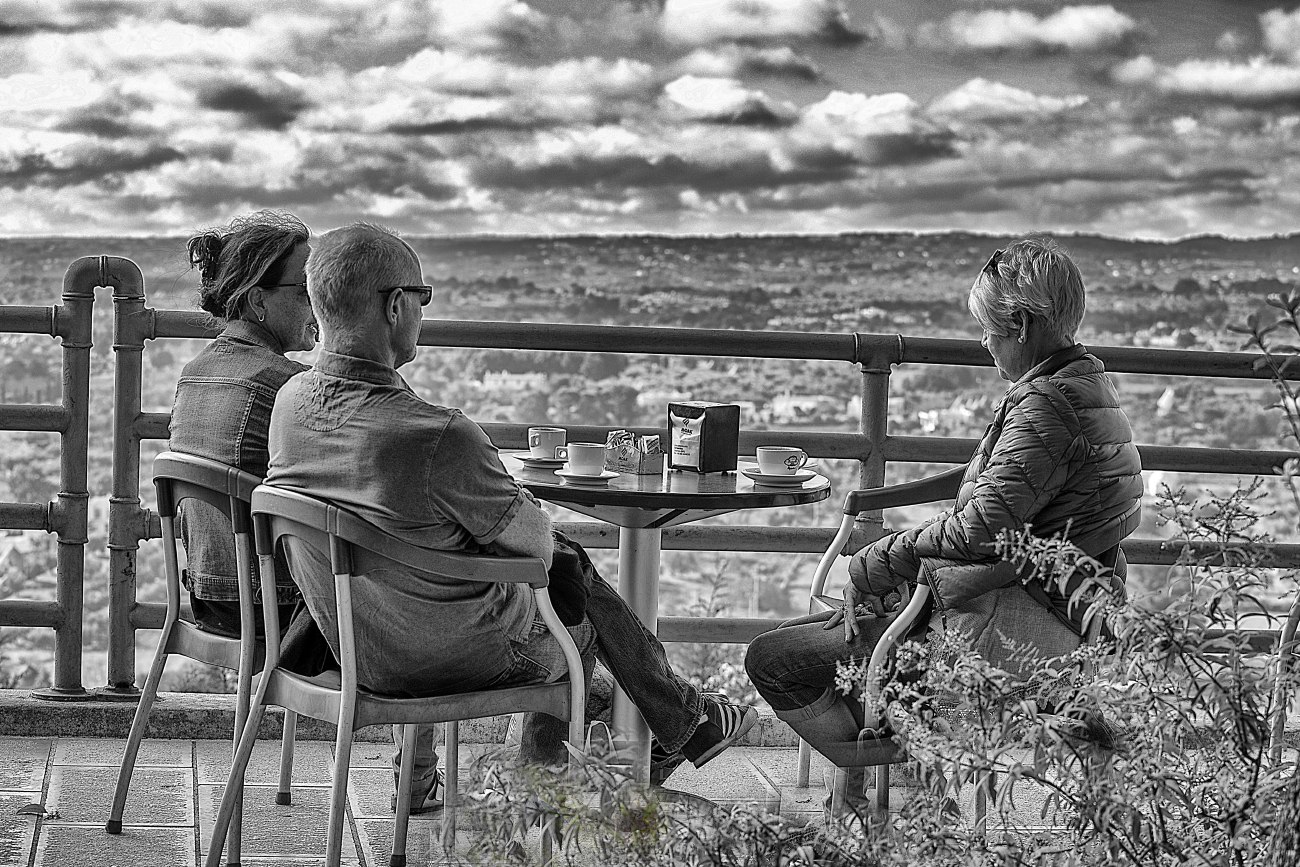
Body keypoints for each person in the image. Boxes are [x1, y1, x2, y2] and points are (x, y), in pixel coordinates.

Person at [263, 222, 757, 811]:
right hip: (437, 656)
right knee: (571, 596)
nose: (422, 313)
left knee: (562, 573)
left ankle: (678, 722)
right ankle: (541, 793)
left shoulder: (289, 406)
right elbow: (536, 552)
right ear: (395, 306)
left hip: (350, 642)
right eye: (422, 299)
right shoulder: (436, 436)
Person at [744, 237, 1143, 821]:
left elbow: (983, 526)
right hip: (1070, 616)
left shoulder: (1044, 407)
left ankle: (885, 767)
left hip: (1009, 634)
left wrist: (881, 558)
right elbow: (1010, 504)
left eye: (989, 329)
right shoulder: (1091, 388)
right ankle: (897, 765)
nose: (984, 343)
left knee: (773, 657)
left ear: (1024, 324)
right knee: (835, 631)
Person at [169, 209, 318, 641]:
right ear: (258, 301)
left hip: (211, 605)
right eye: (307, 290)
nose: (320, 302)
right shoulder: (284, 384)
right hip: (284, 615)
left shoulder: (192, 372)